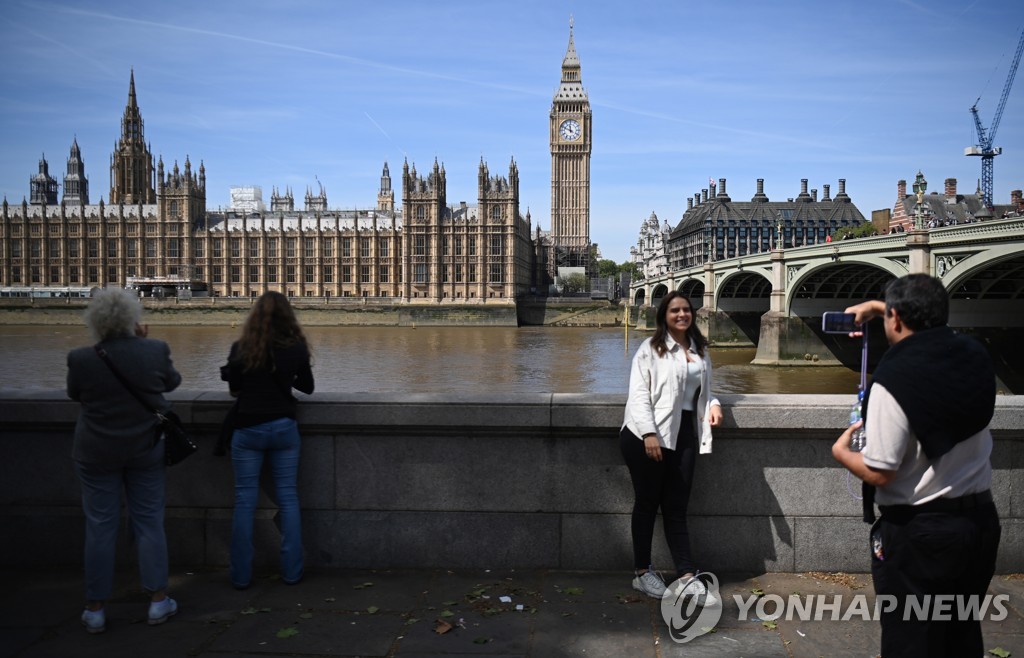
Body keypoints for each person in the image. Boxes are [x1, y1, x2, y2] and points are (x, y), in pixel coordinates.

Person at [832, 274, 1000, 657]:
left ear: (895, 320)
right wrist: (881, 308)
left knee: (911, 641)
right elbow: (939, 337)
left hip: (921, 534)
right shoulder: (975, 355)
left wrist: (841, 453)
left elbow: (881, 470)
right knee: (961, 635)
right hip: (979, 525)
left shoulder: (893, 380)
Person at [66, 287, 182, 634]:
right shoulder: (155, 349)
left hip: (95, 452)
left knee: (100, 527)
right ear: (134, 319)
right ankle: (159, 601)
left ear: (96, 322)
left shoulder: (81, 357)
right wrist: (144, 343)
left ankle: (95, 608)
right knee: (149, 523)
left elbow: (75, 394)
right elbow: (172, 382)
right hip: (144, 449)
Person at [621, 291, 722, 601]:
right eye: (675, 310)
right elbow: (639, 395)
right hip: (644, 436)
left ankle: (687, 575)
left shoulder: (700, 350)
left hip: (684, 435)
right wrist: (650, 434)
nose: (681, 315)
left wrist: (715, 403)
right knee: (647, 503)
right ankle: (642, 572)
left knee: (677, 507)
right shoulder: (650, 349)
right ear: (664, 315)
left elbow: (704, 391)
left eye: (686, 310)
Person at [223, 291, 314, 590]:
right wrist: (287, 373)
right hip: (284, 428)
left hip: (248, 428)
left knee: (244, 501)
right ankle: (291, 572)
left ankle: (240, 575)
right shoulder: (296, 347)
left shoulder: (241, 348)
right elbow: (308, 388)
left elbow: (235, 391)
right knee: (288, 498)